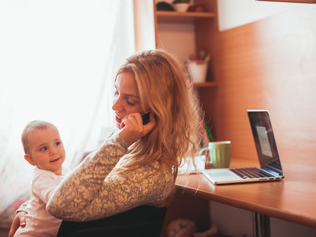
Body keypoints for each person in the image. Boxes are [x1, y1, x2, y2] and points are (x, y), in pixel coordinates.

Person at [9, 49, 203, 235]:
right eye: (116, 93)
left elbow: (60, 204)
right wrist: (28, 209)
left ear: (156, 112)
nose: (115, 105)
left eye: (130, 101)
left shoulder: (149, 175)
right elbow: (71, 184)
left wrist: (120, 141)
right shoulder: (128, 147)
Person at [13, 120, 69, 237]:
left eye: (57, 143)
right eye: (44, 148)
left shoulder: (66, 171)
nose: (53, 151)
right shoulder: (41, 177)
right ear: (31, 159)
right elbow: (57, 201)